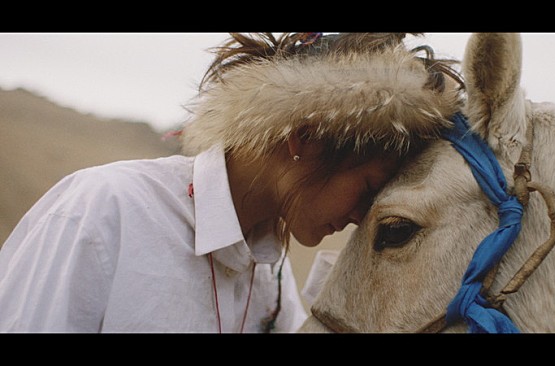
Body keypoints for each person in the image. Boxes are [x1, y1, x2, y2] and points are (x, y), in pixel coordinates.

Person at [0, 32, 464, 332]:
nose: (361, 217)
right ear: (304, 139)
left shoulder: (270, 279)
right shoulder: (104, 210)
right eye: (366, 189)